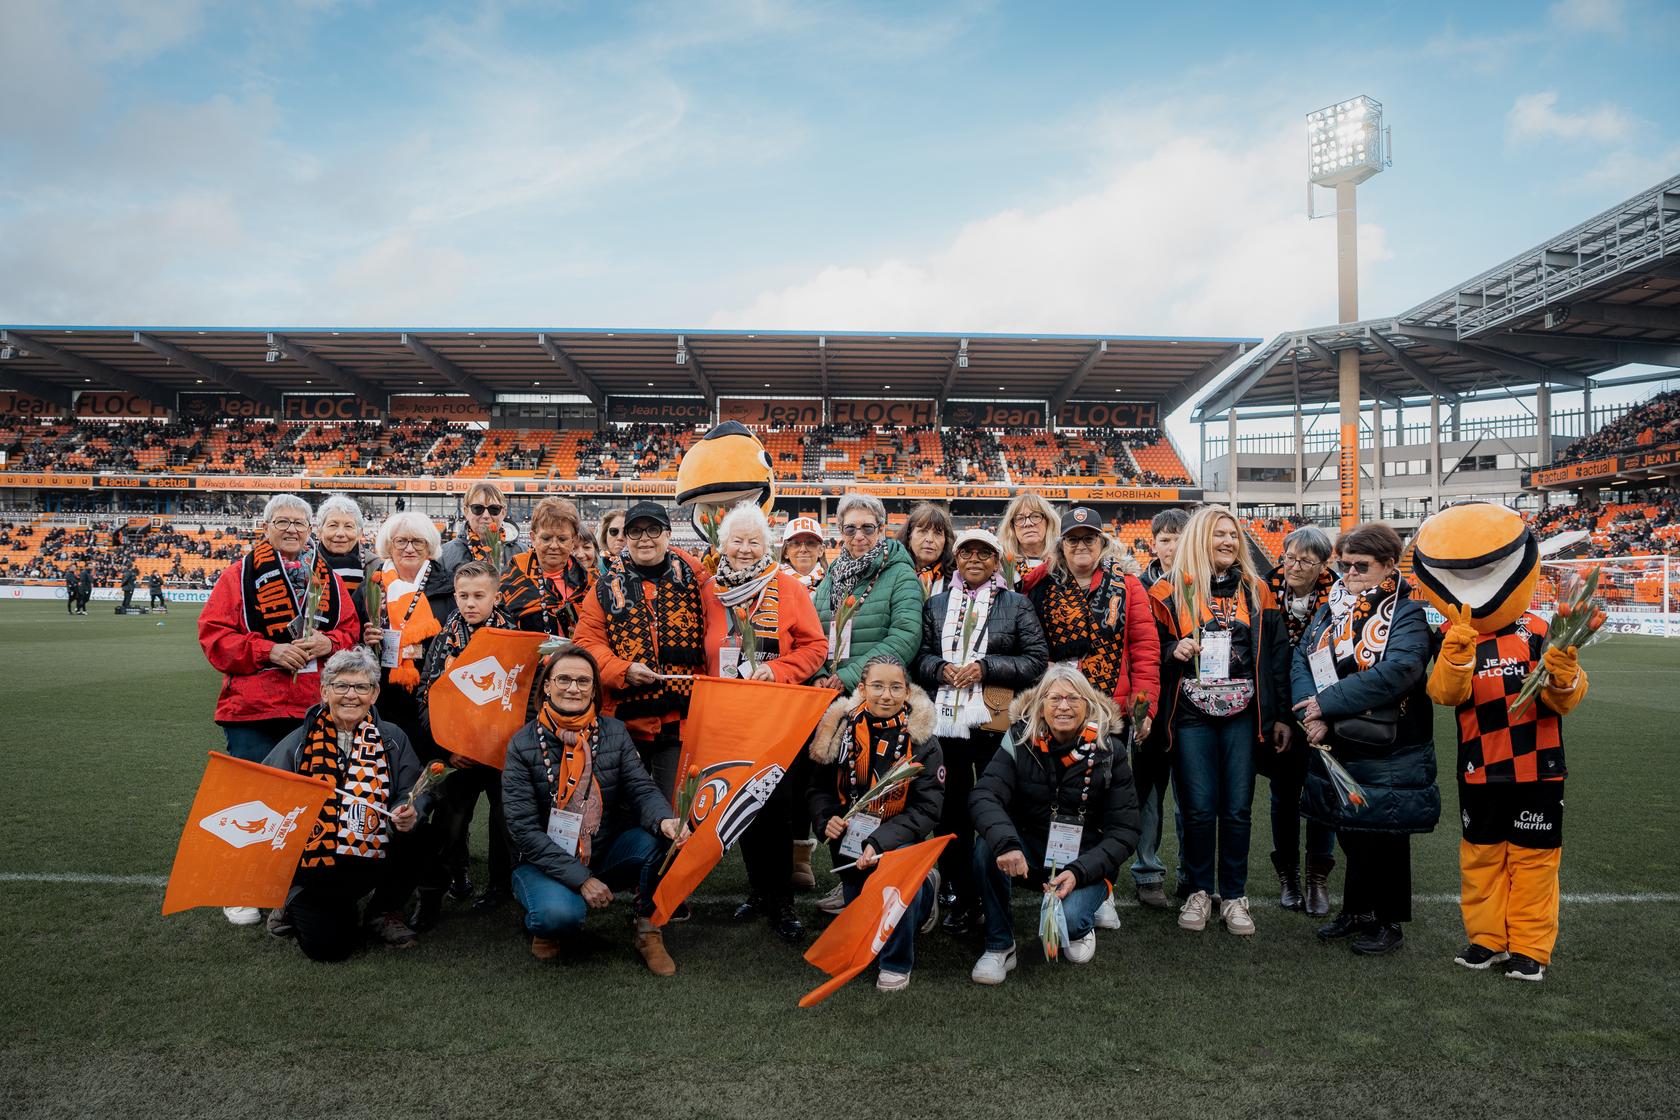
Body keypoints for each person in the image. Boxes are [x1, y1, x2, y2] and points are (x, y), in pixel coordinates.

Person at [1293, 523, 1439, 955]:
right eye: (1344, 565)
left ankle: (1388, 921)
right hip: (1339, 739)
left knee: (1386, 834)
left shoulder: (1407, 612)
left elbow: (1399, 671)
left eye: (1361, 566)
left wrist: (1326, 706)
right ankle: (1357, 911)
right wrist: (1309, 711)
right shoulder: (1332, 607)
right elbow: (1302, 657)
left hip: (1391, 744)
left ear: (1390, 565)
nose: (1350, 574)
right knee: (1352, 830)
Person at [1149, 506, 1291, 937]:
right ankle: (1198, 890)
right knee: (1197, 807)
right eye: (1218, 534)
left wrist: (1281, 715)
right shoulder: (1167, 589)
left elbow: (1277, 655)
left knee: (1236, 808)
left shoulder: (1257, 590)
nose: (1228, 541)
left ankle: (1233, 895)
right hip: (1190, 715)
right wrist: (1172, 650)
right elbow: (1148, 649)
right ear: (1199, 538)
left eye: (1233, 534)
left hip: (1243, 716)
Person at [501, 642, 683, 975]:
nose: (574, 688)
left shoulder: (614, 732)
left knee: (664, 839)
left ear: (594, 690)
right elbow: (523, 830)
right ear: (547, 686)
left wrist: (665, 820)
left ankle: (649, 930)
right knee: (559, 916)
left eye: (583, 681)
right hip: (541, 862)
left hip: (602, 851)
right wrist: (582, 880)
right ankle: (546, 922)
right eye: (564, 679)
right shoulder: (522, 744)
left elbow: (641, 789)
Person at [1023, 506, 1159, 925]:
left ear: (1103, 543)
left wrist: (1144, 707)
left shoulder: (1127, 585)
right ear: (1061, 545)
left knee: (1104, 803)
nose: (1081, 546)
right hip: (1056, 709)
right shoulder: (1042, 584)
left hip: (1109, 710)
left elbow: (1144, 649)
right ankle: (1056, 874)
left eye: (1089, 538)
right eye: (1073, 539)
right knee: (1059, 798)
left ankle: (1102, 884)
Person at [699, 502, 829, 941]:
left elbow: (815, 647)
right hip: (729, 716)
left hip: (777, 718)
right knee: (742, 808)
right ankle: (758, 891)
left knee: (777, 808)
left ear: (767, 546)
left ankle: (783, 901)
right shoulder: (709, 590)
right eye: (737, 540)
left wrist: (777, 670)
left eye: (754, 541)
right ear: (723, 545)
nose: (745, 549)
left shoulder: (787, 587)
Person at [968, 664, 1141, 984]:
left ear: (1088, 704)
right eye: (1054, 698)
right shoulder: (1019, 739)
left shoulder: (1110, 750)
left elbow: (1125, 831)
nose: (1063, 706)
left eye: (1073, 698)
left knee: (1070, 923)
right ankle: (1000, 945)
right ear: (1040, 703)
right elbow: (984, 795)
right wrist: (1008, 844)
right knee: (986, 848)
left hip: (1084, 859)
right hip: (1031, 852)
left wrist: (1079, 872)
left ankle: (1088, 913)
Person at [914, 527, 1048, 934]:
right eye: (966, 552)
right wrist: (941, 669)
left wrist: (985, 668)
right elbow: (919, 657)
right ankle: (960, 895)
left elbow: (1036, 660)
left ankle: (993, 893)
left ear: (996, 561)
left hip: (994, 722)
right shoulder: (936, 604)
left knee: (992, 807)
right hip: (945, 724)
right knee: (950, 810)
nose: (974, 559)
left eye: (984, 553)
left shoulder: (1017, 603)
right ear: (956, 559)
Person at [263, 647, 427, 961]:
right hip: (316, 859)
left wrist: (408, 809)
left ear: (374, 694)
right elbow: (267, 796)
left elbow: (413, 788)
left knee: (423, 832)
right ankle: (291, 899)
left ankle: (383, 911)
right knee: (330, 949)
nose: (351, 695)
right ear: (325, 692)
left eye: (361, 686)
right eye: (341, 686)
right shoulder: (299, 742)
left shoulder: (392, 737)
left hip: (374, 844)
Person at [807, 654, 946, 991]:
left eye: (896, 687)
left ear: (907, 692)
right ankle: (920, 889)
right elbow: (817, 789)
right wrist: (826, 820)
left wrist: (880, 842)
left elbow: (928, 808)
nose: (886, 695)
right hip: (851, 841)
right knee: (864, 916)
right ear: (862, 688)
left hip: (897, 841)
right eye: (878, 686)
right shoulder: (839, 728)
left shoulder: (923, 739)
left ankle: (897, 960)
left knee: (895, 888)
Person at [573, 501, 708, 802]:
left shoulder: (698, 581)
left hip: (680, 722)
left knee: (671, 809)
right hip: (624, 721)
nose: (644, 538)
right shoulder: (604, 587)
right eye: (635, 531)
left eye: (653, 530)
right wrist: (624, 671)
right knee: (622, 809)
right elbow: (586, 644)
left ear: (668, 534)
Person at [417, 560, 517, 913]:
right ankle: (450, 878)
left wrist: (506, 746)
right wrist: (447, 748)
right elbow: (426, 694)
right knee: (452, 820)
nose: (470, 603)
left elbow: (525, 697)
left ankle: (501, 886)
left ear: (496, 597)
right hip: (457, 750)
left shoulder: (515, 638)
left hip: (501, 751)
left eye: (479, 595)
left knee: (505, 821)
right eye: (463, 596)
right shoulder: (444, 638)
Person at [1263, 524, 1339, 915]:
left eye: (1305, 561)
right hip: (1280, 707)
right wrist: (1279, 713)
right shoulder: (1265, 588)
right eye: (1289, 558)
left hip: (1324, 708)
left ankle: (1317, 879)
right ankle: (1289, 876)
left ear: (1323, 565)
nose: (1293, 567)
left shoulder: (1339, 595)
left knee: (1322, 793)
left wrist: (1325, 710)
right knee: (1283, 793)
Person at [1131, 506, 1189, 907]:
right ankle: (1147, 871)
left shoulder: (1207, 588)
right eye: (1165, 540)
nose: (1171, 547)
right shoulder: (1137, 587)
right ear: (1154, 544)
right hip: (1152, 707)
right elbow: (1134, 652)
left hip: (1193, 711)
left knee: (1192, 796)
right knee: (1148, 793)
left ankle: (1191, 872)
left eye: (1179, 539)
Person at [811, 492, 923, 694]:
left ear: (881, 529)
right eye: (850, 528)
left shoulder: (901, 574)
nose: (859, 536)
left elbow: (905, 637)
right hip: (826, 691)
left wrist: (850, 676)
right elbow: (809, 633)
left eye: (867, 528)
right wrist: (817, 674)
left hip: (875, 694)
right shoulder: (832, 575)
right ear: (841, 531)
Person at [425, 482, 526, 622]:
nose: (486, 515)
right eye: (478, 508)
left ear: (503, 512)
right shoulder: (444, 554)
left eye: (494, 509)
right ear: (466, 511)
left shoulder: (521, 553)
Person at [502, 496, 594, 639]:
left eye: (562, 539)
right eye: (546, 538)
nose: (554, 545)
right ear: (533, 538)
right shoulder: (514, 576)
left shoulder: (589, 582)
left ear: (573, 541)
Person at [315, 494, 369, 623]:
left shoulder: (375, 567)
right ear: (319, 532)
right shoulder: (306, 564)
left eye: (348, 526)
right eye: (333, 525)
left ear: (359, 533)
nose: (340, 533)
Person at [997, 491, 1059, 587]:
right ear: (1012, 527)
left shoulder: (1064, 563)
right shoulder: (999, 565)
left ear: (1049, 522)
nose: (1028, 523)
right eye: (1020, 518)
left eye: (1035, 516)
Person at [899, 502, 955, 599]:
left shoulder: (957, 581)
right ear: (909, 537)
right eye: (923, 531)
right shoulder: (891, 574)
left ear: (946, 541)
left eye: (937, 533)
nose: (929, 539)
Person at [778, 516, 827, 589]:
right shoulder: (772, 582)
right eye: (795, 543)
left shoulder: (834, 583)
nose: (803, 549)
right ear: (785, 552)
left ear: (821, 550)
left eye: (811, 543)